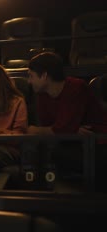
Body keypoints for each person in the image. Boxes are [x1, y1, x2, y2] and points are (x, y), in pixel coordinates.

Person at [26, 51, 107, 191]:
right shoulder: (42, 95)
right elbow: (55, 129)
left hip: (96, 142)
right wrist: (69, 130)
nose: (29, 81)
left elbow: (59, 129)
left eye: (31, 76)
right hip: (70, 142)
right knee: (38, 149)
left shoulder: (76, 87)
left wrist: (36, 130)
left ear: (44, 76)